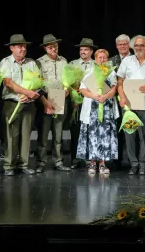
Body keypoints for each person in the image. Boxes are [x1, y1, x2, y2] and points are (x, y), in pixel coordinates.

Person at [0, 34, 52, 176]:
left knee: (26, 135)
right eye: (19, 46)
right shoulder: (6, 62)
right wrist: (27, 92)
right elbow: (8, 82)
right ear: (12, 48)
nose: (23, 49)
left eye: (24, 46)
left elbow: (39, 83)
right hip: (12, 103)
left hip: (29, 104)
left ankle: (24, 164)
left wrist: (31, 95)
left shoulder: (31, 63)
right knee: (11, 135)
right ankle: (9, 165)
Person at [117, 35, 145, 175]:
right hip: (129, 100)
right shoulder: (127, 61)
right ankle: (133, 164)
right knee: (129, 133)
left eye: (141, 45)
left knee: (144, 134)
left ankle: (143, 164)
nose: (138, 48)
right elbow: (120, 81)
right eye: (136, 46)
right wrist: (122, 97)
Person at [77, 49, 119, 174]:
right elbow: (82, 89)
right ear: (95, 59)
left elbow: (113, 89)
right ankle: (92, 163)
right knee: (92, 135)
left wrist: (105, 97)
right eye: (99, 57)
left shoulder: (111, 73)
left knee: (105, 135)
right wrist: (94, 96)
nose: (102, 60)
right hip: (92, 108)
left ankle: (102, 163)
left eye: (104, 58)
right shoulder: (90, 71)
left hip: (106, 107)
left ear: (107, 59)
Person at [35, 34, 71, 172]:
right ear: (45, 48)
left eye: (55, 45)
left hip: (60, 98)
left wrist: (67, 89)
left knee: (58, 133)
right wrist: (44, 101)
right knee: (43, 134)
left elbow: (67, 78)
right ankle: (41, 162)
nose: (53, 48)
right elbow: (36, 82)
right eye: (50, 46)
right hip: (46, 100)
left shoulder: (63, 60)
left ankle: (58, 160)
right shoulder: (39, 62)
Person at [68, 38, 97, 169]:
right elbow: (67, 82)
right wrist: (73, 92)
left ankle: (89, 158)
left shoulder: (96, 65)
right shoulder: (73, 64)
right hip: (77, 100)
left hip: (91, 100)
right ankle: (75, 158)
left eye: (86, 49)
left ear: (91, 51)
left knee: (90, 130)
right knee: (76, 129)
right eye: (81, 49)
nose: (83, 52)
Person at [109, 34, 132, 169]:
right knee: (116, 130)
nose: (122, 46)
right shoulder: (111, 61)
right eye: (120, 44)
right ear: (117, 46)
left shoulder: (136, 59)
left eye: (124, 44)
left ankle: (132, 159)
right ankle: (116, 159)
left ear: (128, 45)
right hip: (114, 100)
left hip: (132, 99)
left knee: (130, 129)